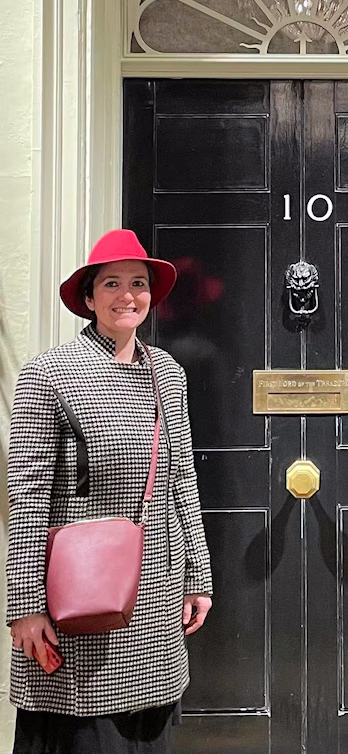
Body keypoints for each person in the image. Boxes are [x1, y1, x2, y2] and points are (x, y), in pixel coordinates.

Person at [7, 229, 213, 754]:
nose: (128, 296)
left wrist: (198, 578)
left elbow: (181, 480)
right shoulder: (49, 372)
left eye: (138, 283)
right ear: (89, 296)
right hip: (80, 603)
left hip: (158, 597)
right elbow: (27, 494)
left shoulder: (167, 371)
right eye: (113, 283)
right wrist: (26, 607)